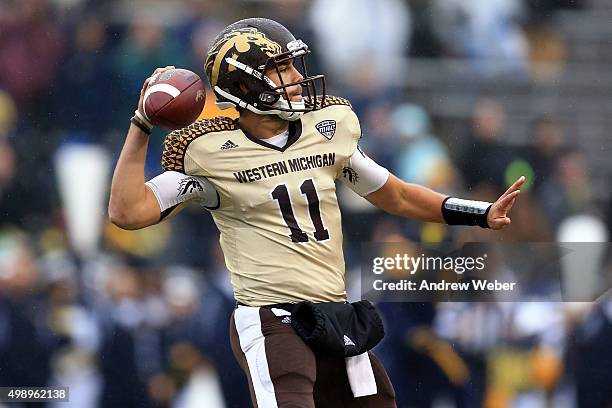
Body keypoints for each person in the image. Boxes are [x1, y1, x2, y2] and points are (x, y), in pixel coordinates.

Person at [109, 18, 523, 407]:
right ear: (244, 84)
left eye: (293, 66)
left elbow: (394, 195)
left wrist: (479, 214)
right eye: (281, 69)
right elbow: (128, 212)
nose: (295, 78)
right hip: (272, 317)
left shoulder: (326, 130)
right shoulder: (210, 153)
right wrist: (141, 123)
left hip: (334, 313)